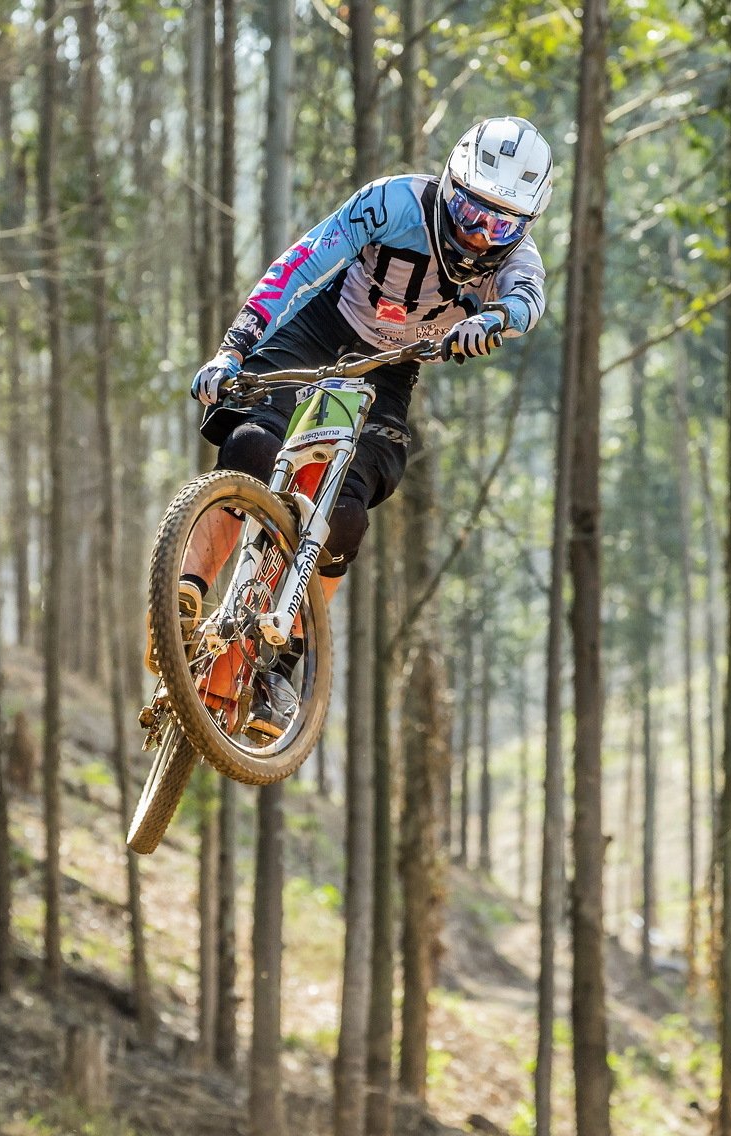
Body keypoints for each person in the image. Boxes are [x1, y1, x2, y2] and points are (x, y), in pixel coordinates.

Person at [176, 116, 555, 732]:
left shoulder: (516, 257)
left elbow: (528, 300)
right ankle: (186, 592)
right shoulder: (391, 203)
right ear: (449, 182)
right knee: (249, 445)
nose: (482, 235)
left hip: (389, 372)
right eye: (470, 211)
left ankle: (282, 662)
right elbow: (299, 262)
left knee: (344, 520)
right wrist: (234, 347)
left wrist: (494, 321)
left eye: (504, 223)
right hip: (323, 331)